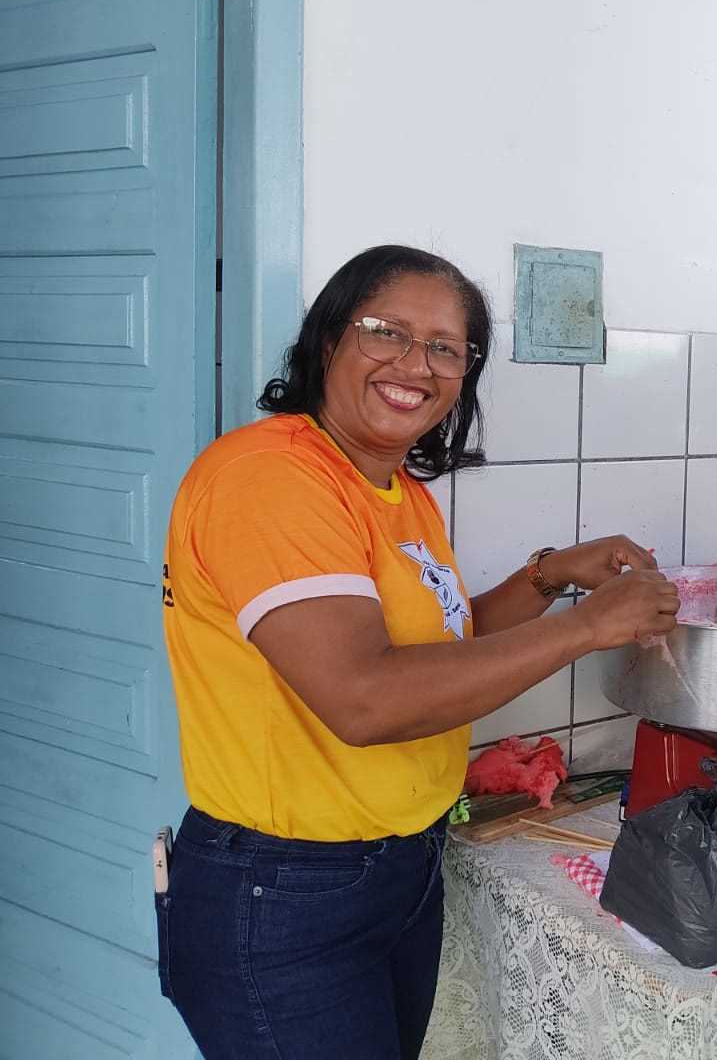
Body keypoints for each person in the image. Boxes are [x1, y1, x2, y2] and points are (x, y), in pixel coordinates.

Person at [158, 245, 679, 1059]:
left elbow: (439, 645)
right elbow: (365, 697)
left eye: (446, 347)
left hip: (396, 868)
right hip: (284, 891)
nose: (417, 363)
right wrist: (584, 627)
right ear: (330, 338)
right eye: (387, 331)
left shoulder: (393, 488)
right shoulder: (270, 478)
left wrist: (546, 577)